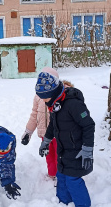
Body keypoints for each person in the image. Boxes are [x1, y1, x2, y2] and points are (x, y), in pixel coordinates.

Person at [35, 71, 95, 206]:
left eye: (44, 98)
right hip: (63, 150)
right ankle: (63, 202)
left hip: (77, 150)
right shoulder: (55, 104)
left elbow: (89, 125)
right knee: (61, 176)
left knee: (72, 180)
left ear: (52, 93)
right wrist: (46, 141)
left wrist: (87, 149)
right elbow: (53, 125)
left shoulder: (74, 105)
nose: (43, 101)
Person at [21, 67, 59, 180]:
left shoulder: (59, 95)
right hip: (44, 133)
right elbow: (34, 114)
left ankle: (61, 177)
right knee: (49, 156)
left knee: (59, 157)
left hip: (58, 134)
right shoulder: (38, 96)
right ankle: (52, 174)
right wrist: (28, 132)